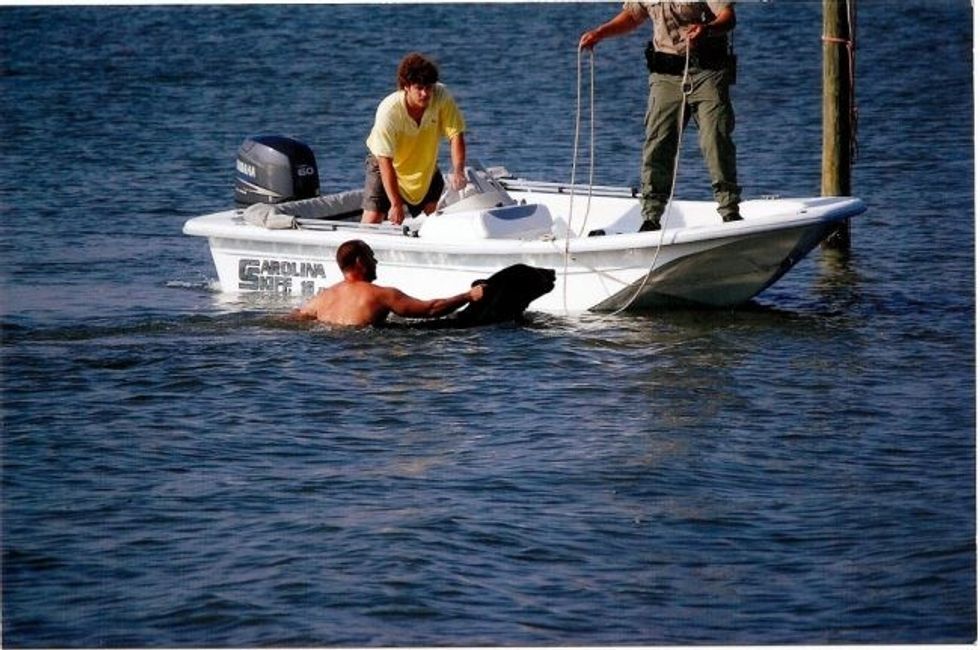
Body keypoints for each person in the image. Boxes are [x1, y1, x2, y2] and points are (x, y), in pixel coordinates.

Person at [579, 2, 742, 231]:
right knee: (658, 143)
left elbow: (727, 16)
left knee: (715, 139)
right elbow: (633, 16)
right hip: (665, 74)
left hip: (707, 71)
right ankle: (651, 217)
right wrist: (600, 33)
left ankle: (729, 210)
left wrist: (707, 29)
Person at [361, 52, 468, 226]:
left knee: (436, 212)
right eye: (419, 88)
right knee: (373, 217)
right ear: (406, 86)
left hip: (424, 165)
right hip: (385, 165)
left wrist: (458, 170)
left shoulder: (441, 96)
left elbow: (456, 134)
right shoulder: (389, 111)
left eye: (429, 87)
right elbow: (384, 159)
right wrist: (395, 203)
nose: (425, 94)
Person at [290, 240, 484, 327]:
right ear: (360, 261)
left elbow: (295, 318)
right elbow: (430, 310)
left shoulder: (323, 297)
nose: (375, 261)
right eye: (371, 256)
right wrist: (468, 296)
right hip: (366, 350)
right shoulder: (380, 295)